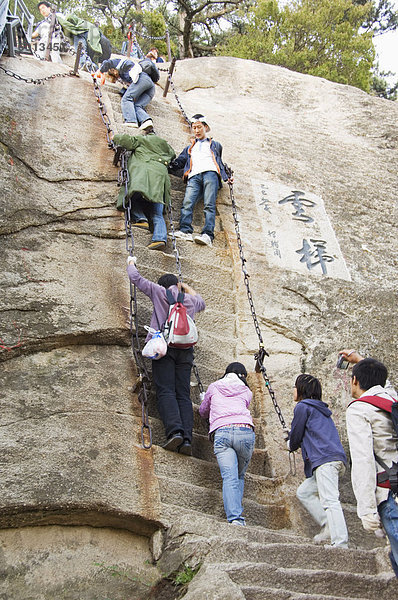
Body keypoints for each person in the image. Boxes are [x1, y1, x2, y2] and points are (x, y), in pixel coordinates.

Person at [127, 259, 205, 454]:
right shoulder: (190, 300)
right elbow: (202, 303)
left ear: (162, 284)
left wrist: (131, 262)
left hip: (164, 347)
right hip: (186, 350)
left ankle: (174, 432)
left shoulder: (159, 291)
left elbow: (135, 277)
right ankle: (187, 439)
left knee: (166, 391)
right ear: (177, 285)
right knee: (183, 394)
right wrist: (185, 288)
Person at [340, 349, 398, 577]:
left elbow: (363, 460)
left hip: (389, 495)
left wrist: (367, 511)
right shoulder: (393, 399)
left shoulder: (360, 409)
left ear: (354, 380)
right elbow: (385, 384)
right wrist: (360, 360)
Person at [287, 374, 349, 548]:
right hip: (334, 459)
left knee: (330, 500)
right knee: (304, 492)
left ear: (301, 390)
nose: (293, 390)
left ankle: (340, 542)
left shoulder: (302, 407)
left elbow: (296, 436)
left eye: (295, 386)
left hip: (324, 460)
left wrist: (290, 442)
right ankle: (329, 525)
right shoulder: (320, 409)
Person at [199, 362, 255, 526]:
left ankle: (235, 519)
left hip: (222, 431)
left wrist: (204, 400)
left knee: (229, 477)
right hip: (245, 431)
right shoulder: (247, 391)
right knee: (239, 476)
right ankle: (238, 516)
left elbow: (203, 411)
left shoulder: (214, 386)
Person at [169, 114, 232, 248]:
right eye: (194, 128)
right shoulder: (189, 148)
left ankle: (208, 235)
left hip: (211, 174)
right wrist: (169, 165)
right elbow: (180, 161)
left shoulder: (215, 144)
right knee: (187, 202)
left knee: (209, 204)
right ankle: (185, 230)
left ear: (206, 127)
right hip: (194, 176)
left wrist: (226, 177)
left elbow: (219, 161)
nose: (196, 130)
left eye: (199, 127)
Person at [113, 131, 175, 250]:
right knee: (157, 212)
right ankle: (160, 237)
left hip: (145, 173)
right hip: (161, 177)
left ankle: (140, 218)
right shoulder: (166, 146)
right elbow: (172, 155)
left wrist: (114, 136)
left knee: (132, 197)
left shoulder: (143, 139)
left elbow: (126, 141)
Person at [99, 57, 159, 130]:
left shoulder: (122, 65)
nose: (117, 79)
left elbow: (107, 63)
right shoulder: (125, 76)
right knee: (137, 105)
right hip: (151, 87)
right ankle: (146, 120)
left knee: (127, 99)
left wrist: (100, 71)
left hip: (142, 78)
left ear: (113, 71)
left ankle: (131, 120)